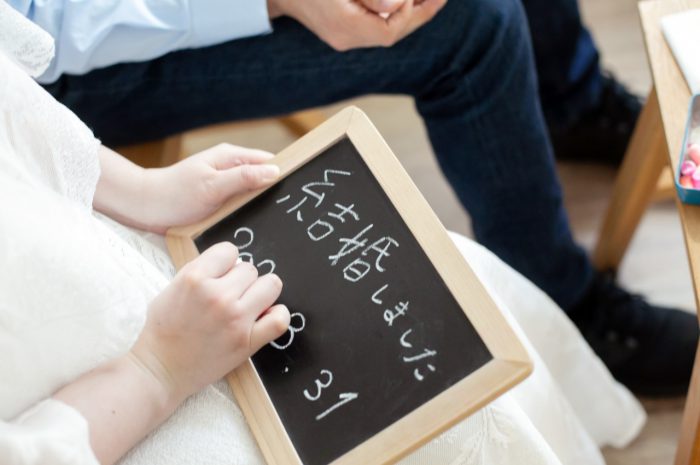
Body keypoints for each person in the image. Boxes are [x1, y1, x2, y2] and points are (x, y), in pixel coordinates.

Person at [0, 9, 645, 465]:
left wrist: (139, 190)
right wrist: (156, 371)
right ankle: (577, 300)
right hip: (111, 396)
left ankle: (573, 107)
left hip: (108, 238)